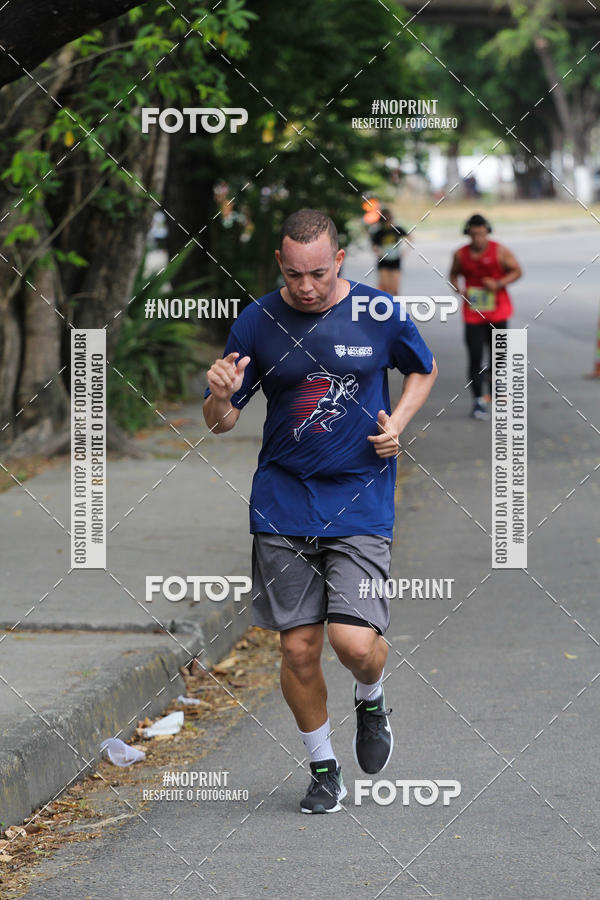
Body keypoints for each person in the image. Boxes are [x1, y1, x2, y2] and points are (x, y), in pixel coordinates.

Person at [203, 209, 437, 814]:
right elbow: (221, 420)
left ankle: (373, 695)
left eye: (317, 273)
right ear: (280, 265)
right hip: (282, 503)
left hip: (360, 498)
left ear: (338, 261)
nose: (306, 286)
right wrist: (222, 398)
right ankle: (323, 766)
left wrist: (399, 425)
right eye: (293, 274)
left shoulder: (377, 312)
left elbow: (423, 367)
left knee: (355, 644)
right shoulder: (257, 320)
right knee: (299, 648)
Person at [449, 213, 522, 420]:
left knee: (498, 357)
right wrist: (458, 288)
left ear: (487, 232)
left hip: (498, 311)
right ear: (468, 234)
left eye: (481, 234)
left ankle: (495, 388)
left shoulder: (500, 251)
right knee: (474, 358)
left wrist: (499, 283)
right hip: (473, 314)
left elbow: (517, 271)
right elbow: (453, 274)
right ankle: (478, 401)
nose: (477, 239)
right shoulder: (460, 254)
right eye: (473, 235)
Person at [369, 207, 408, 295]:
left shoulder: (397, 229)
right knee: (384, 286)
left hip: (395, 260)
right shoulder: (378, 232)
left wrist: (405, 250)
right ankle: (385, 304)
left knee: (394, 287)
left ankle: (394, 304)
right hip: (383, 261)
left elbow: (409, 238)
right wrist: (378, 251)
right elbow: (374, 246)